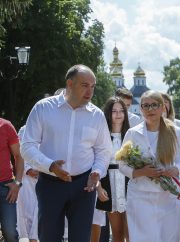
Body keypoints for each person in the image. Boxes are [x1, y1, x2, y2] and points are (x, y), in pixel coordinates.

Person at [20, 64, 112, 242]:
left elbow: (103, 150)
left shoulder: (97, 115)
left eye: (93, 86)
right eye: (85, 85)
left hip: (84, 186)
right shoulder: (43, 108)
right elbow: (27, 146)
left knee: (80, 238)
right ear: (70, 83)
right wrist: (50, 166)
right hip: (50, 184)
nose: (90, 91)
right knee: (49, 236)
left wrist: (97, 171)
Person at [119, 90, 180, 242]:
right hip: (140, 196)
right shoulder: (133, 133)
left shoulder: (175, 132)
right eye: (146, 106)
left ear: (163, 107)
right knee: (142, 238)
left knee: (169, 237)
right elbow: (122, 164)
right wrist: (141, 172)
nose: (150, 109)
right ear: (141, 108)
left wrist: (175, 170)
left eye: (154, 105)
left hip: (169, 196)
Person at [94, 97, 130, 242]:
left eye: (121, 110)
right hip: (110, 184)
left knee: (131, 231)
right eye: (114, 111)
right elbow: (95, 162)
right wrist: (99, 186)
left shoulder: (131, 134)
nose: (118, 114)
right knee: (117, 231)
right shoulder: (102, 136)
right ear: (108, 113)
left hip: (129, 184)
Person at [0, 118, 24, 242]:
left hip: (6, 187)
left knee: (10, 233)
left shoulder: (5, 126)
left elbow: (19, 156)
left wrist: (18, 183)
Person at [16, 125, 39, 242]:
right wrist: (28, 169)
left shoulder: (49, 129)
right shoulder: (24, 129)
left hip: (45, 180)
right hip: (26, 181)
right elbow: (19, 152)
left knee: (40, 216)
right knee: (28, 215)